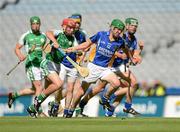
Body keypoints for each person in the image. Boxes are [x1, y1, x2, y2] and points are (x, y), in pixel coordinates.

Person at [65, 18, 132, 118]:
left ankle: (105, 98)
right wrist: (74, 48)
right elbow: (87, 44)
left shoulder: (120, 41)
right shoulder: (100, 35)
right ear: (112, 28)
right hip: (94, 67)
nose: (118, 31)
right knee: (81, 91)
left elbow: (126, 49)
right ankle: (71, 109)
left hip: (105, 69)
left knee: (116, 83)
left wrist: (129, 58)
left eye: (120, 30)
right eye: (117, 29)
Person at [26, 18, 78, 117]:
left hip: (58, 65)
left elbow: (76, 49)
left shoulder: (73, 39)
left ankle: (32, 108)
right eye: (69, 28)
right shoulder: (59, 33)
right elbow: (48, 32)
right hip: (48, 63)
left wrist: (73, 50)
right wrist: (55, 41)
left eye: (73, 28)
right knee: (58, 84)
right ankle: (37, 102)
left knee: (49, 90)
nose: (71, 30)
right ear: (64, 27)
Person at [47, 13, 88, 117]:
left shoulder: (82, 34)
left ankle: (70, 111)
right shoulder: (62, 32)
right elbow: (49, 33)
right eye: (74, 22)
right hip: (61, 63)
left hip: (74, 64)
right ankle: (56, 104)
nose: (76, 25)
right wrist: (55, 43)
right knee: (59, 86)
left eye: (78, 23)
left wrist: (80, 61)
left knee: (73, 88)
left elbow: (83, 49)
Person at [7, 16, 46, 116]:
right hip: (31, 64)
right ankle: (38, 111)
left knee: (34, 90)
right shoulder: (26, 36)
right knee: (39, 87)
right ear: (31, 24)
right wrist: (20, 56)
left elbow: (47, 49)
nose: (35, 26)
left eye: (37, 24)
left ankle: (14, 95)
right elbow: (17, 48)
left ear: (40, 24)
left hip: (40, 65)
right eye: (33, 24)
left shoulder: (43, 36)